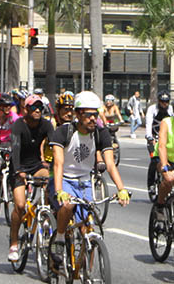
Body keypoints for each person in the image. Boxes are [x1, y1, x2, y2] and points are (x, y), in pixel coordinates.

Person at [50, 92, 131, 267]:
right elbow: (58, 164)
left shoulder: (101, 134)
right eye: (88, 115)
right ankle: (60, 237)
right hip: (65, 178)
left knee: (89, 227)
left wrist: (121, 189)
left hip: (85, 181)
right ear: (78, 114)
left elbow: (110, 164)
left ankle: (87, 275)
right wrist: (59, 191)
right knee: (68, 205)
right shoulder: (63, 132)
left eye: (95, 114)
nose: (93, 119)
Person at [6, 95, 55, 263]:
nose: (37, 111)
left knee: (50, 184)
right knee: (19, 205)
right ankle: (13, 243)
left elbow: (55, 145)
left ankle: (42, 215)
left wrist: (56, 166)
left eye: (40, 108)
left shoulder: (46, 125)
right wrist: (19, 171)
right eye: (33, 107)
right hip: (19, 167)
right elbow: (15, 149)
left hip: (36, 165)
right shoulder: (18, 125)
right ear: (26, 109)